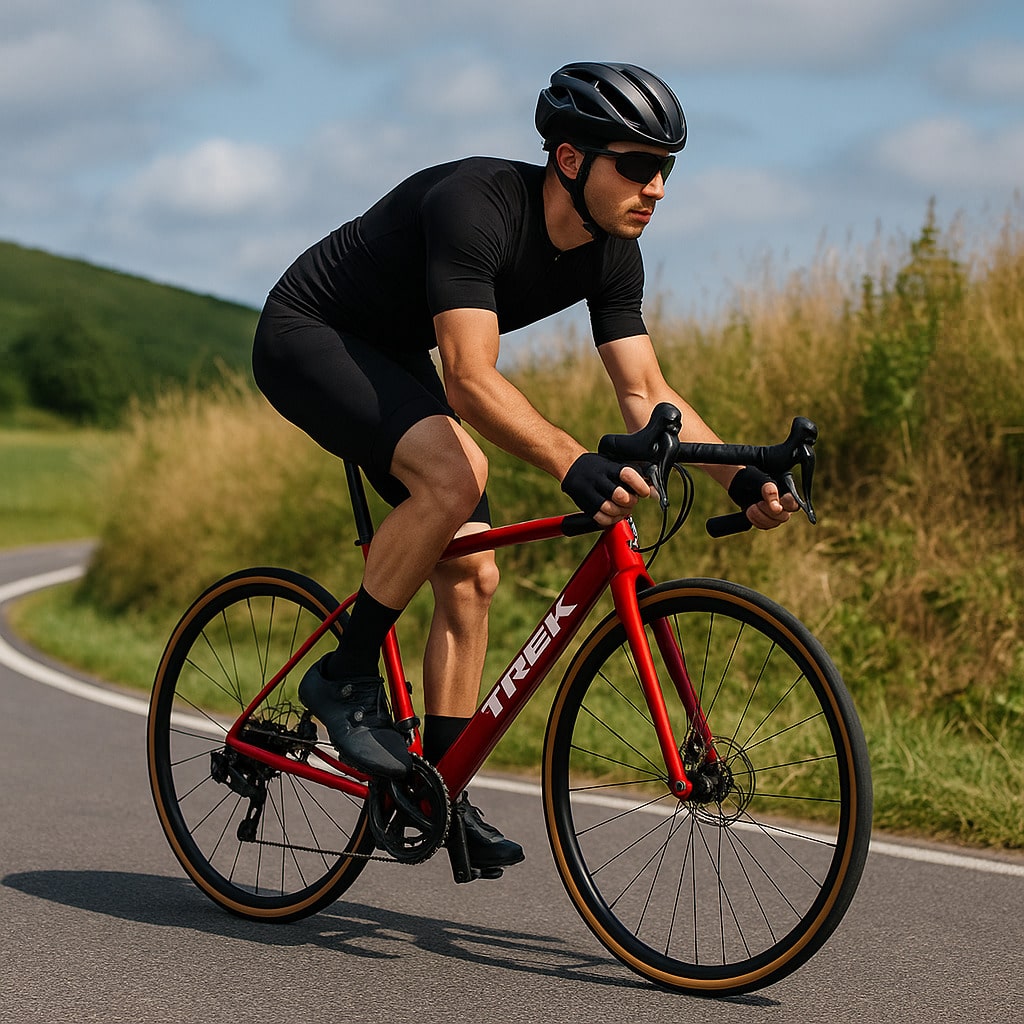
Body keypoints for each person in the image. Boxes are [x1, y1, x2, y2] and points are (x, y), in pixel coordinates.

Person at [252, 61, 797, 873]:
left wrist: (739, 476)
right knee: (456, 473)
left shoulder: (613, 252)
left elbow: (644, 391)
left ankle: (438, 789)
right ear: (570, 159)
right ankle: (345, 675)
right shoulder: (476, 205)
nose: (655, 188)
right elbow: (470, 381)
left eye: (666, 169)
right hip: (310, 332)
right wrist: (570, 461)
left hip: (392, 353)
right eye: (637, 165)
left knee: (473, 573)